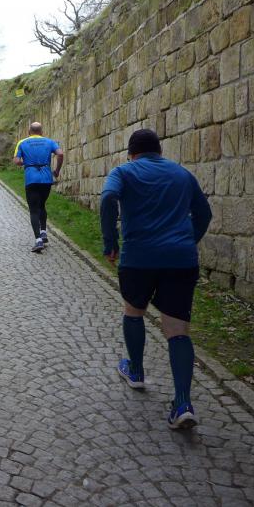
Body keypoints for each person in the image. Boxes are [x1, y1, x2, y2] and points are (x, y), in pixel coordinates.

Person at [100, 128, 212, 430]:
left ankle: (136, 371)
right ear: (159, 151)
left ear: (131, 154)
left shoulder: (123, 172)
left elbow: (108, 198)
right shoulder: (182, 174)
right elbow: (204, 213)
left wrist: (110, 242)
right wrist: (187, 240)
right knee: (177, 329)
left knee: (134, 311)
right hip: (181, 260)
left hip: (138, 258)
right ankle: (183, 403)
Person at [12, 122, 64, 253]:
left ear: (29, 132)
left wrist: (26, 163)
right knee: (42, 205)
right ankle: (44, 232)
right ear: (41, 132)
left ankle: (38, 240)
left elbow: (16, 161)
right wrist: (57, 171)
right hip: (46, 179)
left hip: (31, 179)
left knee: (34, 210)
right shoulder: (49, 142)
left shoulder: (22, 143)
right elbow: (60, 154)